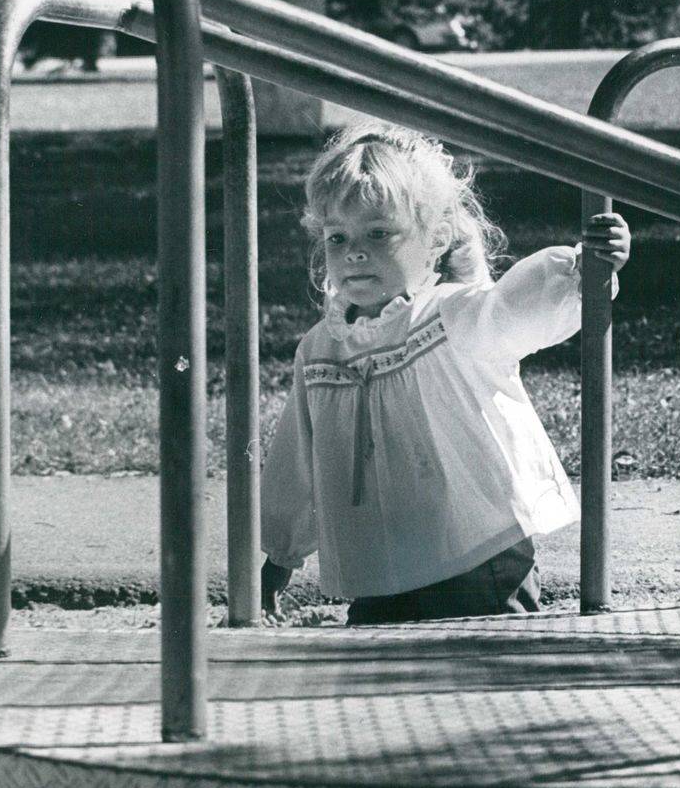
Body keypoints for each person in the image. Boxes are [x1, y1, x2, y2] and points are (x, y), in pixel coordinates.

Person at [260, 121, 631, 624]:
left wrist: (584, 271)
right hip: (377, 563)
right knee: (379, 680)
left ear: (434, 240)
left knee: (487, 666)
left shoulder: (451, 316)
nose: (355, 252)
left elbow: (514, 310)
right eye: (337, 237)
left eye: (378, 232)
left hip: (478, 555)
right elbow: (297, 457)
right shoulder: (320, 351)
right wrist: (282, 552)